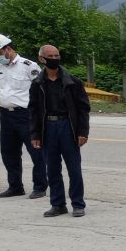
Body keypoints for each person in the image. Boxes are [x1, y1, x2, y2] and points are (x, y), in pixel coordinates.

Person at [28, 45, 90, 218]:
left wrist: (83, 132)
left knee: (74, 168)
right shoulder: (37, 83)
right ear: (42, 58)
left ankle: (78, 204)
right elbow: (33, 111)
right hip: (48, 128)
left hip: (68, 127)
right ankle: (58, 204)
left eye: (57, 55)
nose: (54, 58)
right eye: (50, 56)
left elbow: (83, 109)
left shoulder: (73, 82)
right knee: (52, 169)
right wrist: (35, 134)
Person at [0, 34, 47, 199]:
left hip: (25, 114)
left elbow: (41, 91)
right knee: (8, 152)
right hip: (6, 115)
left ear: (8, 49)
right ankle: (15, 186)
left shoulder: (29, 66)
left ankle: (40, 186)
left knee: (36, 152)